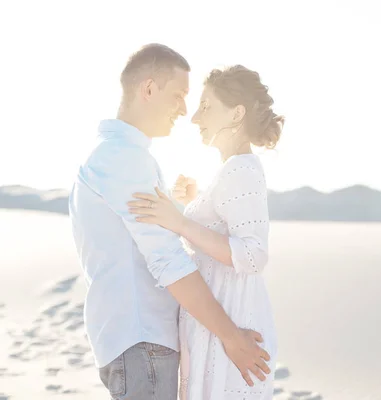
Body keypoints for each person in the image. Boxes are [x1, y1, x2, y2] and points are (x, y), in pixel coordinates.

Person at [68, 45, 270, 400]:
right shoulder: (124, 160)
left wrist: (184, 207)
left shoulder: (120, 157)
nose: (184, 111)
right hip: (142, 340)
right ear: (148, 90)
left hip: (141, 342)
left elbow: (147, 239)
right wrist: (231, 336)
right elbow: (168, 261)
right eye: (178, 96)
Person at [128, 65, 284, 399]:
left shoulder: (241, 168)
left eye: (207, 106)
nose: (196, 117)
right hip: (219, 319)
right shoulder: (232, 169)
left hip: (232, 319)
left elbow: (254, 255)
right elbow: (225, 229)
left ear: (236, 113)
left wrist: (181, 222)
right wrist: (196, 201)